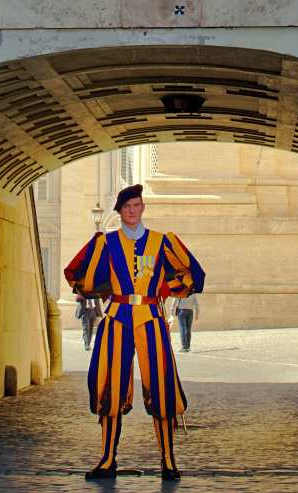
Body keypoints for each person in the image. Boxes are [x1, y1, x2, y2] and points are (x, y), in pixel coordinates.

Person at [64, 184, 205, 481]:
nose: (132, 211)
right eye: (127, 207)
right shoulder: (106, 243)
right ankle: (107, 459)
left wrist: (170, 292)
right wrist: (100, 290)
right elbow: (81, 274)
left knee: (162, 386)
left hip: (151, 318)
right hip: (117, 318)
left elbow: (188, 273)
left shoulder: (161, 242)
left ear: (142, 208)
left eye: (137, 205)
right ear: (120, 211)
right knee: (110, 387)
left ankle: (168, 460)